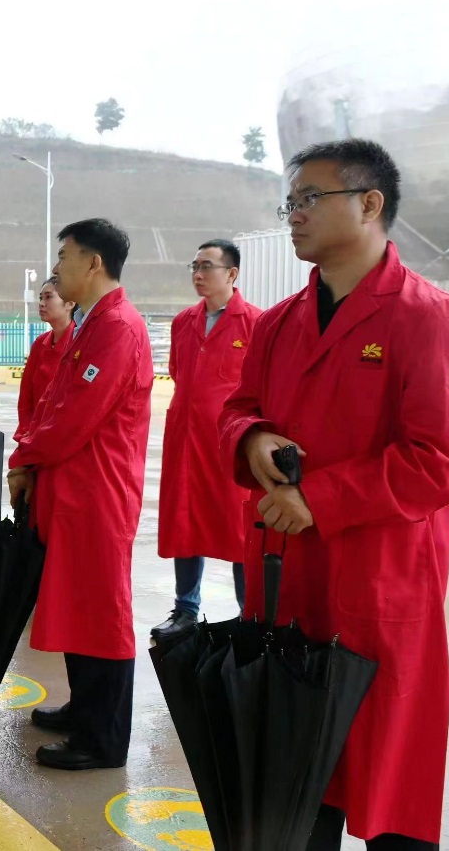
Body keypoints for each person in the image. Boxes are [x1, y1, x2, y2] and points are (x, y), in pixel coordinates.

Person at [219, 139, 449, 851]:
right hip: (287, 573)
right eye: (290, 201)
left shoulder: (430, 317)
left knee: (383, 777)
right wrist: (251, 438)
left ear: (369, 205)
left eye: (310, 198)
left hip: (376, 581)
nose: (294, 214)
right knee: (293, 784)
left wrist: (321, 499)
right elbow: (238, 408)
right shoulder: (278, 323)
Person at [8, 219, 152, 770]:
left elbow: (73, 419)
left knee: (101, 610)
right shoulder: (91, 325)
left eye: (64, 256)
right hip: (73, 491)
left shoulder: (118, 329)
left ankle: (103, 739)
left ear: (93, 263)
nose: (56, 267)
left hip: (99, 494)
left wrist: (23, 457)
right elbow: (53, 406)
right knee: (78, 603)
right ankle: (84, 708)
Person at [151, 239, 262, 640]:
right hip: (186, 440)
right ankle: (185, 609)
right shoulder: (184, 321)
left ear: (231, 274)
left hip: (230, 444)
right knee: (185, 521)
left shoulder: (255, 323)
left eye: (207, 267)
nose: (198, 274)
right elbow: (178, 373)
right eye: (194, 266)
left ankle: (250, 615)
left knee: (239, 527)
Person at [16, 277, 75, 439]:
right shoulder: (40, 344)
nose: (42, 303)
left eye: (49, 297)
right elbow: (26, 395)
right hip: (34, 434)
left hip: (64, 436)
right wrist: (27, 431)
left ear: (70, 303)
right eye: (40, 298)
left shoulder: (79, 344)